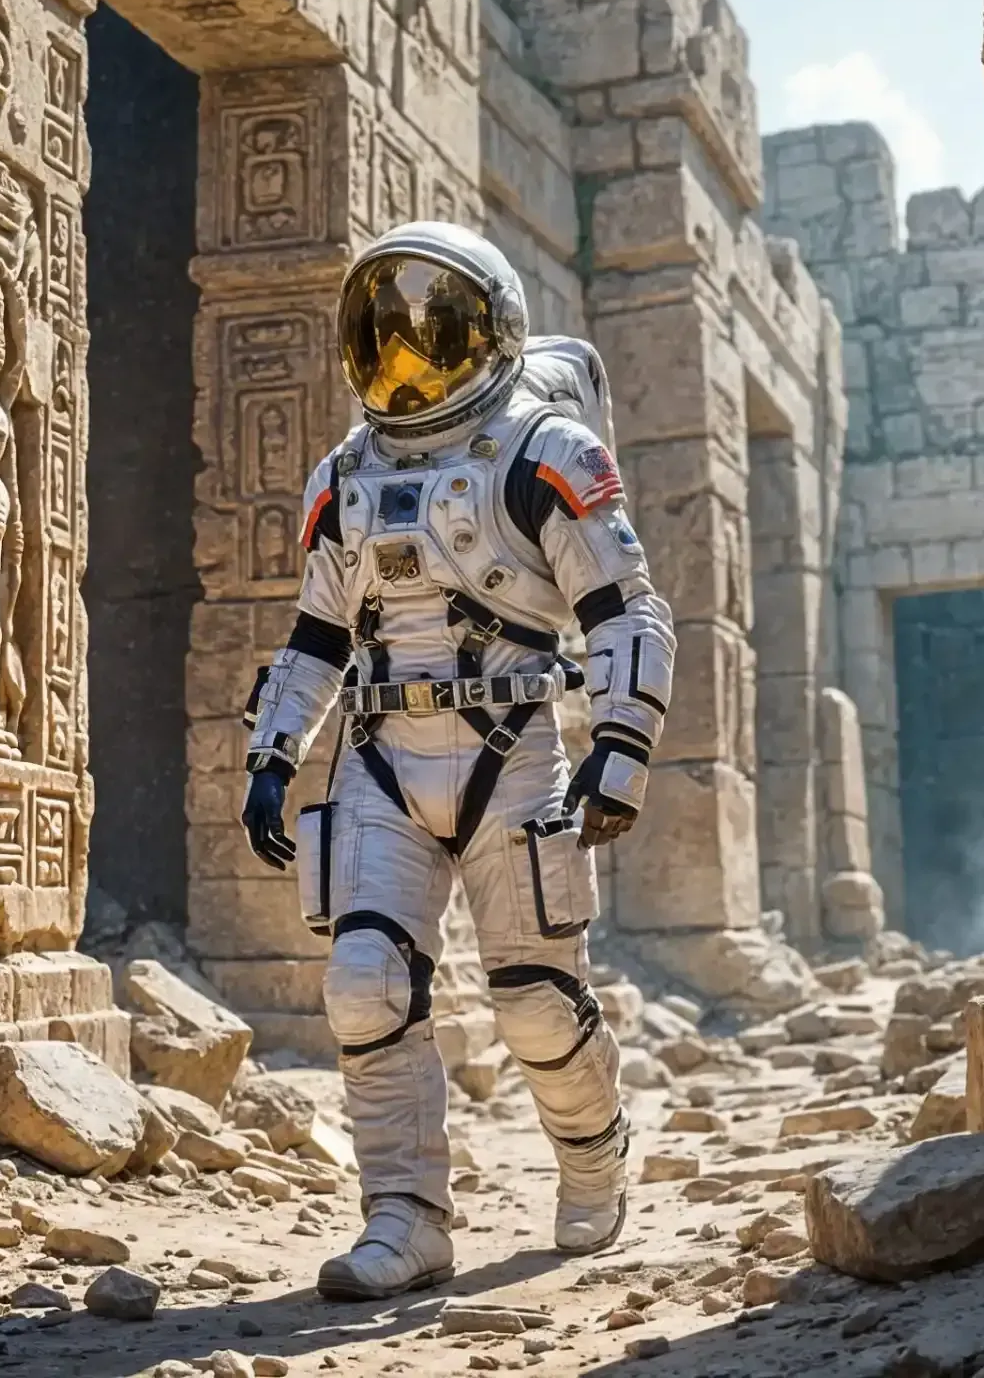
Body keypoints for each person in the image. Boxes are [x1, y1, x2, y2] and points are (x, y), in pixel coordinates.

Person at [240, 222, 677, 1301]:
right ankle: (404, 1217)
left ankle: (593, 1161)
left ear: (490, 332)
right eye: (381, 338)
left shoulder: (543, 452)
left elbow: (625, 610)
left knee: (535, 1001)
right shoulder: (346, 473)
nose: (404, 361)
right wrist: (273, 752)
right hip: (380, 756)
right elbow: (316, 635)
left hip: (512, 753)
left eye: (428, 337)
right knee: (363, 984)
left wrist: (620, 746)